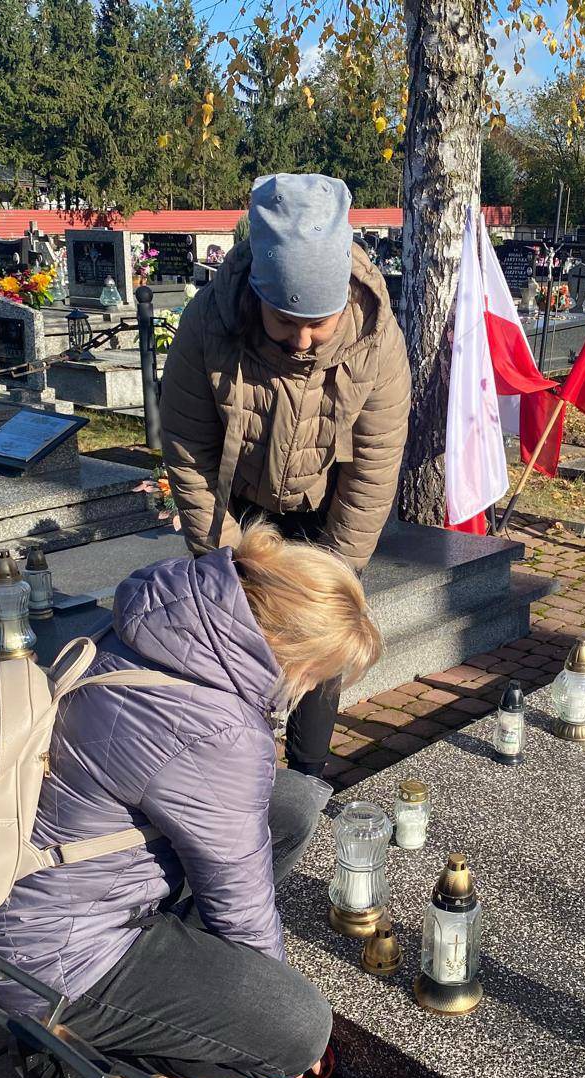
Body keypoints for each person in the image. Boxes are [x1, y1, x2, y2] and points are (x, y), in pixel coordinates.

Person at [0, 524, 383, 1078]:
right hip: (54, 954)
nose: (313, 688)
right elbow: (238, 899)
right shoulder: (218, 729)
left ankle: (160, 975)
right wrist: (259, 999)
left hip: (30, 880)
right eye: (318, 674)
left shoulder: (165, 617)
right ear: (289, 653)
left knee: (291, 803)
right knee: (296, 1028)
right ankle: (65, 1051)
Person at [161, 173, 410, 780]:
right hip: (239, 509)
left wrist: (335, 573)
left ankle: (305, 776)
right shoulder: (208, 325)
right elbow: (190, 450)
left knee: (317, 648)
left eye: (318, 322)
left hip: (328, 511)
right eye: (284, 320)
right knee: (228, 640)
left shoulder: (376, 337)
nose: (302, 340)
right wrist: (228, 562)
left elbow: (375, 461)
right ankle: (228, 773)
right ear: (256, 294)